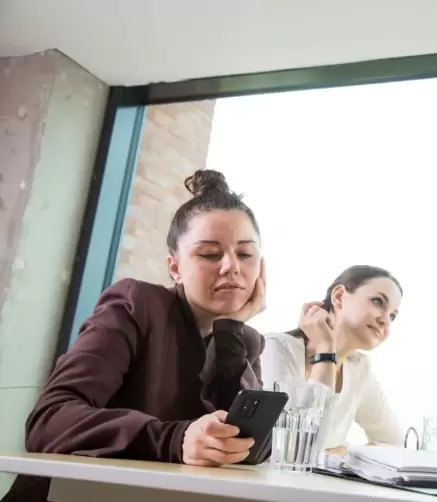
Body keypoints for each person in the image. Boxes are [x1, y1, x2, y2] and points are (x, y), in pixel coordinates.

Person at [4, 170, 267, 502]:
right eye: (210, 254)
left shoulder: (246, 341)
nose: (231, 267)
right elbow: (49, 422)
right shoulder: (136, 305)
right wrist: (176, 439)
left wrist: (231, 331)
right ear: (175, 268)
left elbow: (252, 446)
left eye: (246, 254)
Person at [261, 265, 404, 453]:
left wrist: (344, 451)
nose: (385, 320)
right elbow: (299, 449)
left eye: (392, 315)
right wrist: (325, 350)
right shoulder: (276, 349)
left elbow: (393, 442)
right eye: (378, 302)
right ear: (338, 296)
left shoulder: (359, 368)